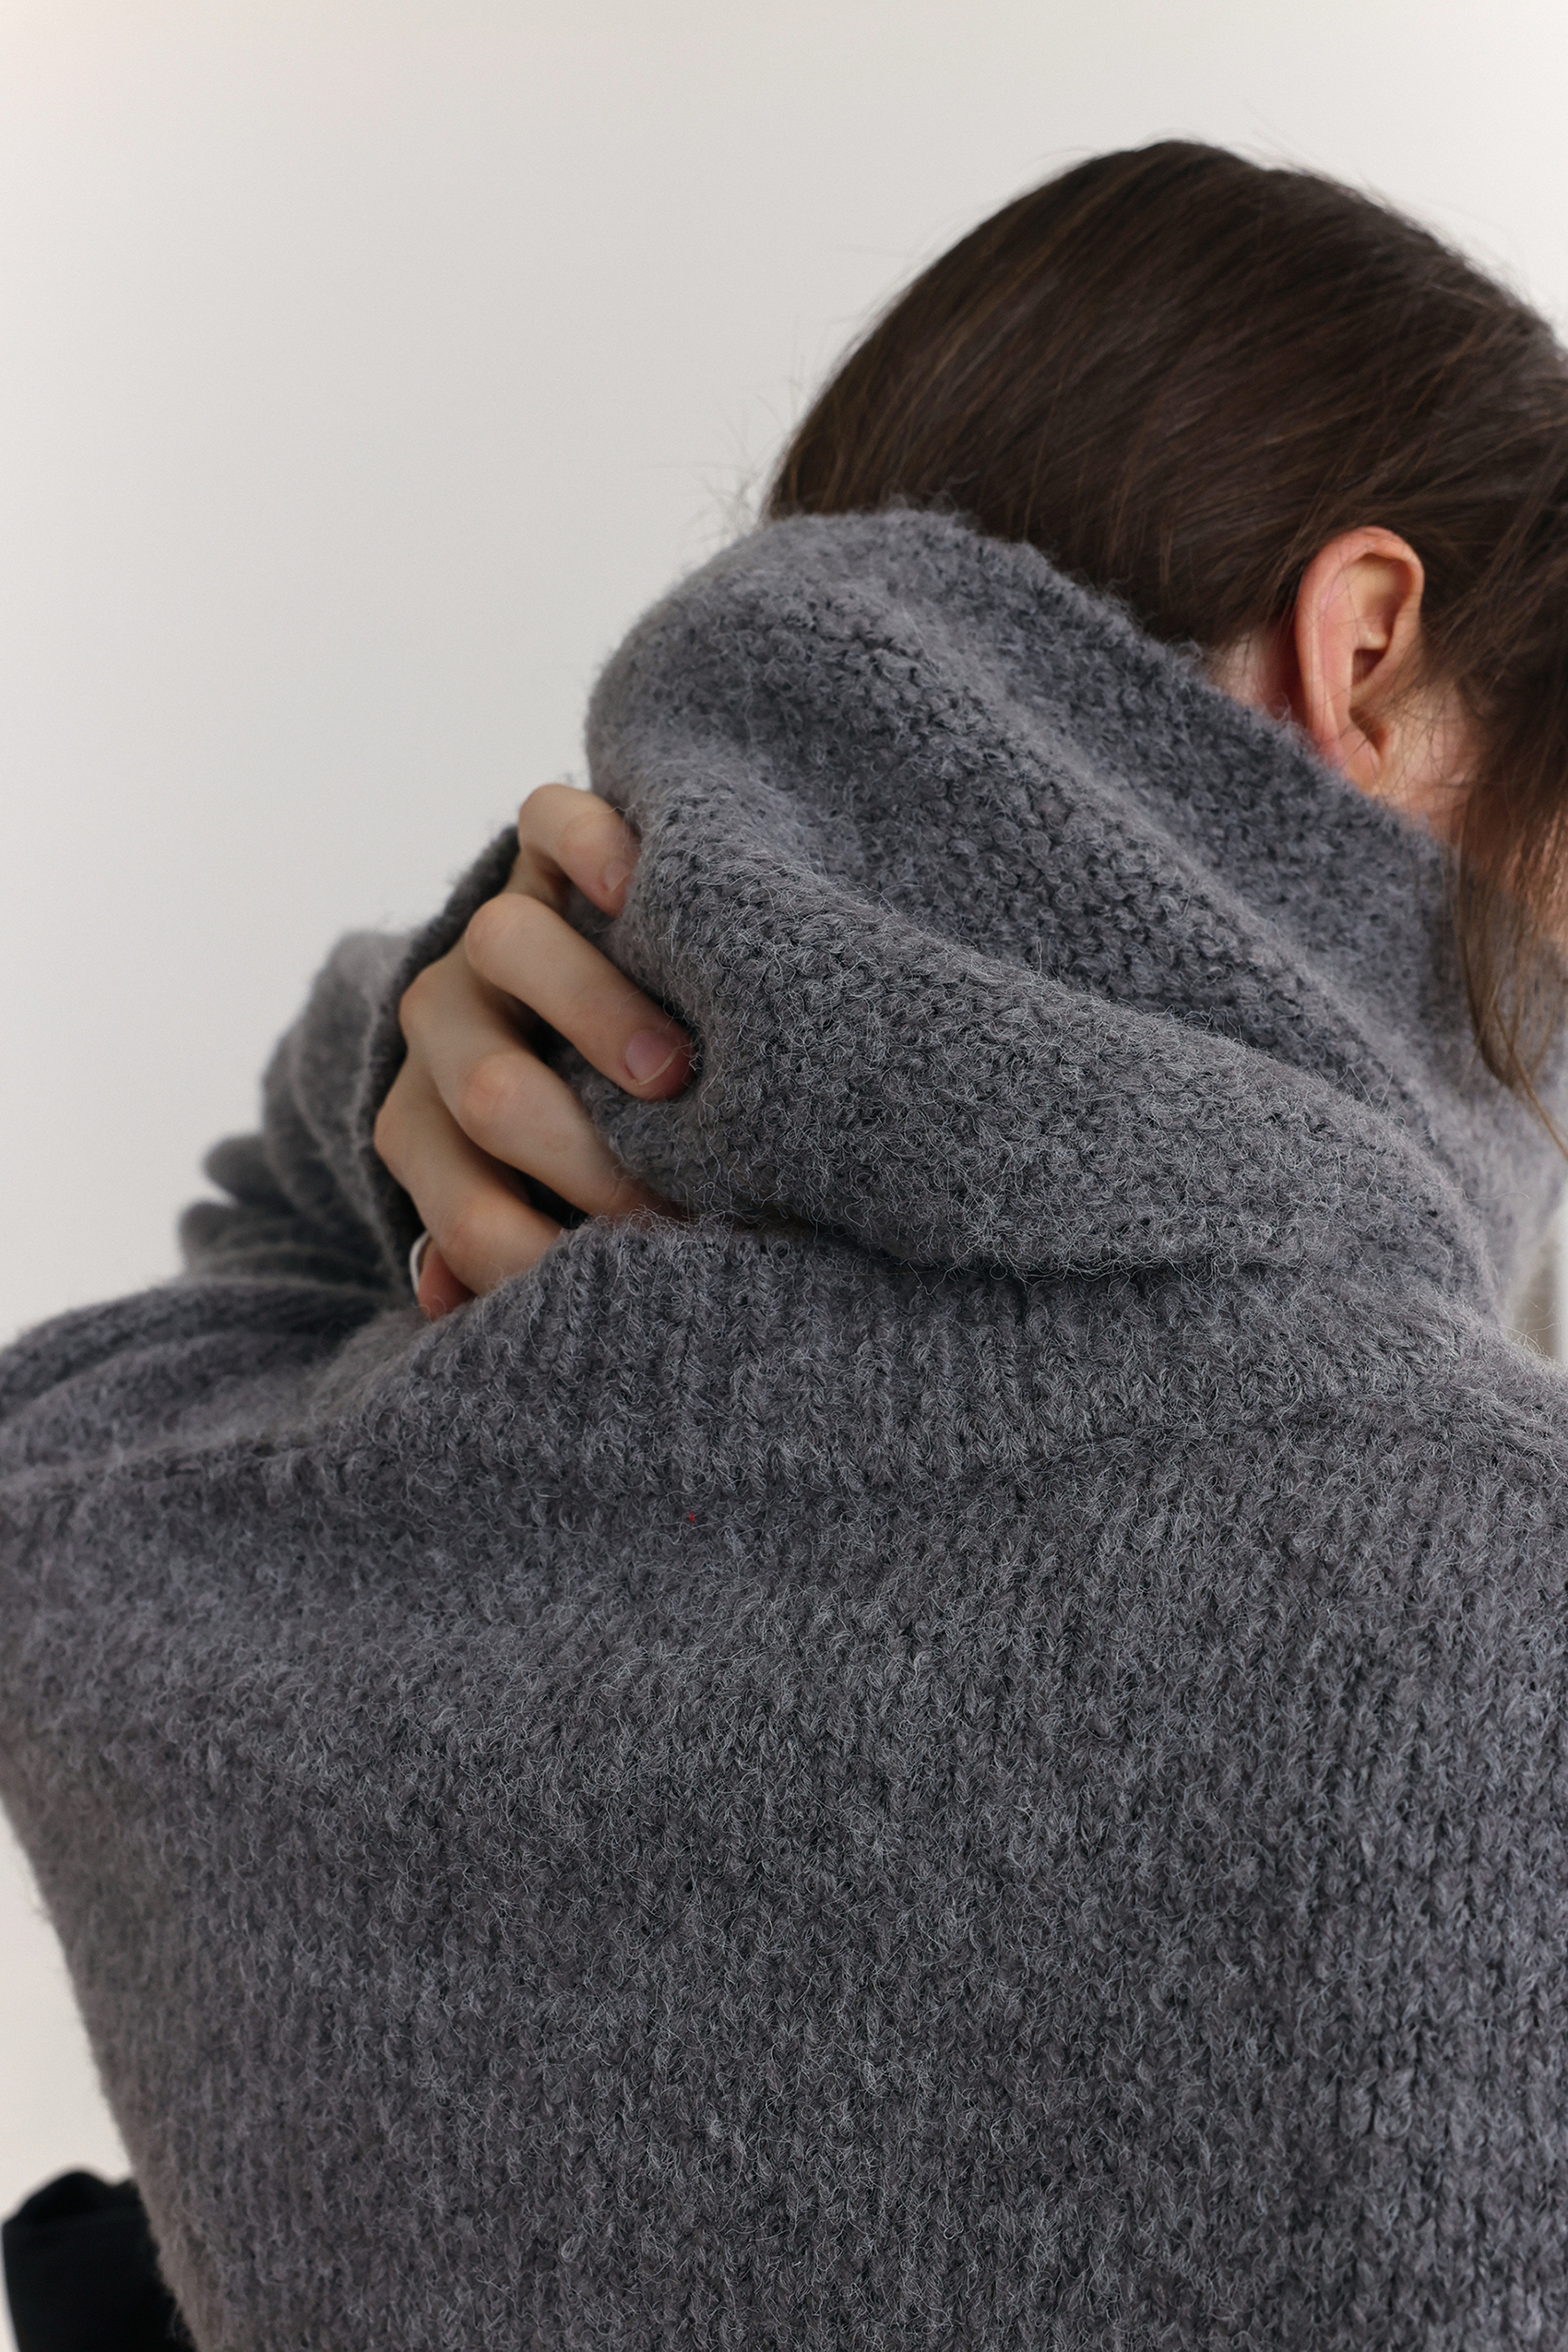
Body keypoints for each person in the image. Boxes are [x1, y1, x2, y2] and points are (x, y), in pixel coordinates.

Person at [6, 137, 1568, 2350]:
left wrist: (477, 1032)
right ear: (1369, 651)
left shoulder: (209, 1536)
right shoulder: (1508, 1598)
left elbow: (163, 1331)